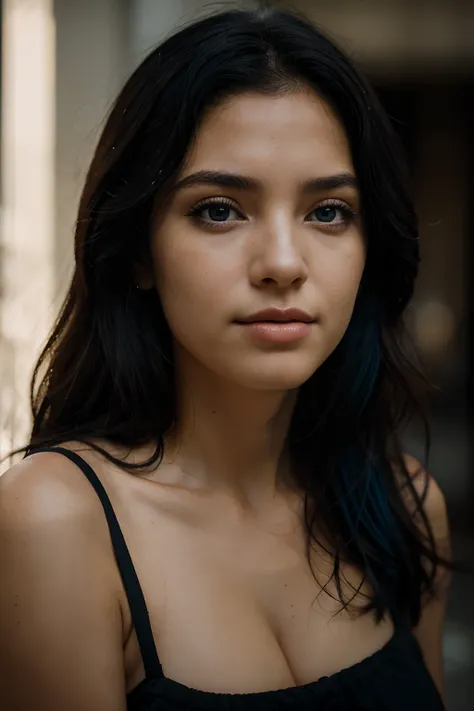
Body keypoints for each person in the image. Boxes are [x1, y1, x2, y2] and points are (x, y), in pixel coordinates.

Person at [0, 6, 452, 711]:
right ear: (138, 252)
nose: (281, 262)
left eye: (328, 211)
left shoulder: (403, 505)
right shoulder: (57, 522)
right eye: (219, 209)